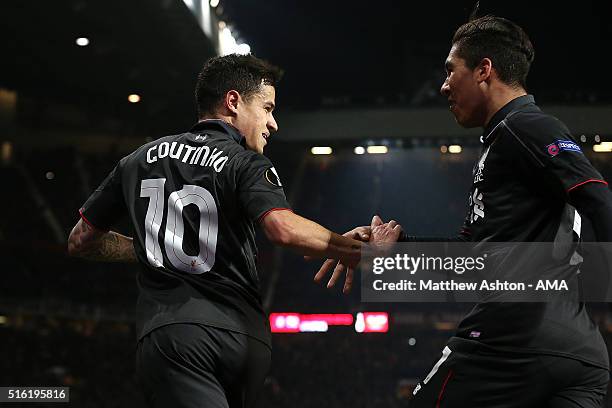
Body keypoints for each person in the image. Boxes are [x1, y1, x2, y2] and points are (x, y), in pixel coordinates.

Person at [318, 15, 612, 407]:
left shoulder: (524, 126)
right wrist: (396, 247)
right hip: (577, 355)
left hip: (510, 342)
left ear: (484, 70)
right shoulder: (506, 139)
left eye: (449, 71)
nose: (442, 86)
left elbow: (598, 197)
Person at [67, 53, 377, 408]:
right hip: (243, 340)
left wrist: (156, 244)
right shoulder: (245, 161)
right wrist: (358, 253)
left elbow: (80, 240)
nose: (273, 123)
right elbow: (282, 227)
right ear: (233, 101)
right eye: (268, 108)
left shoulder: (136, 160)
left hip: (177, 335)